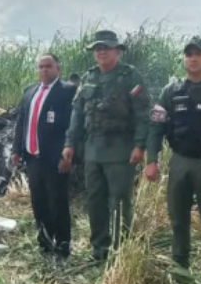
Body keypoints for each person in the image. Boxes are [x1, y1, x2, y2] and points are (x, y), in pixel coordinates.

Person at [145, 37, 201, 284]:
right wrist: (152, 160)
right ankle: (181, 272)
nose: (193, 58)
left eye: (198, 54)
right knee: (178, 218)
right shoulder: (171, 91)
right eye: (189, 54)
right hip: (179, 161)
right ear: (184, 58)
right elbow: (156, 126)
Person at [62, 30, 151, 261]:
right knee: (95, 200)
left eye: (106, 47)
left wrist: (140, 145)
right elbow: (78, 114)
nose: (101, 51)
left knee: (119, 201)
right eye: (97, 48)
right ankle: (99, 249)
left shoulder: (130, 76)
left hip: (121, 150)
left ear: (117, 51)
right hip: (93, 150)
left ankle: (120, 250)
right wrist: (70, 143)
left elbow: (143, 114)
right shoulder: (89, 77)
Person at [11, 54, 77, 259]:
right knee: (38, 202)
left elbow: (72, 126)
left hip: (55, 159)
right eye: (40, 67)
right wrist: (16, 149)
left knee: (57, 203)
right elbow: (21, 123)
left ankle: (63, 246)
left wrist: (67, 155)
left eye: (48, 66)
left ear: (57, 68)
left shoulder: (67, 92)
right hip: (33, 158)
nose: (44, 70)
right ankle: (45, 244)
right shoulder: (30, 91)